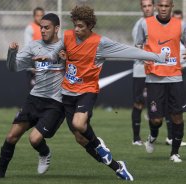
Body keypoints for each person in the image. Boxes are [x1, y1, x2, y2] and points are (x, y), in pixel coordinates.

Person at [38, 5, 167, 181]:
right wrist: (52, 56)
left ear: (90, 25)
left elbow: (128, 51)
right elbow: (56, 50)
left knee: (78, 123)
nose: (76, 29)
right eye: (75, 25)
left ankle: (99, 145)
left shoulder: (100, 43)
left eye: (81, 26)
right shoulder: (68, 36)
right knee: (80, 138)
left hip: (87, 91)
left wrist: (157, 57)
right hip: (67, 93)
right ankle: (117, 166)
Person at [0, 13, 66, 180]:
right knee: (11, 136)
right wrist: (12, 53)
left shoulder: (65, 45)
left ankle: (45, 152)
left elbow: (77, 65)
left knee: (34, 139)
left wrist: (67, 59)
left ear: (56, 29)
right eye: (41, 27)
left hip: (55, 102)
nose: (42, 30)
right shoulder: (33, 46)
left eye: (47, 27)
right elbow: (13, 67)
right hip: (34, 99)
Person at [136, 0, 186, 163]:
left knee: (177, 116)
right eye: (161, 6)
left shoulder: (181, 25)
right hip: (154, 78)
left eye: (167, 6)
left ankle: (174, 153)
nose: (164, 9)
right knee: (156, 120)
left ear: (171, 7)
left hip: (175, 76)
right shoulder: (145, 24)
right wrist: (143, 56)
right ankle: (152, 136)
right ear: (157, 7)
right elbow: (138, 45)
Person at [131, 0, 155, 146]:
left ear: (154, 6)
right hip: (141, 69)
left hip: (156, 69)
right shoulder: (139, 25)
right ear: (141, 8)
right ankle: (136, 138)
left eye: (149, 5)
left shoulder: (159, 23)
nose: (147, 8)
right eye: (144, 6)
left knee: (157, 103)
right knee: (139, 103)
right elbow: (138, 46)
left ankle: (162, 136)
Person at [164, 9, 186, 146]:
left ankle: (175, 137)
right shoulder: (167, 38)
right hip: (172, 75)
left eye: (180, 19)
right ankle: (171, 136)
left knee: (179, 108)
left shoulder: (183, 37)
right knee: (174, 107)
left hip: (184, 73)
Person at [24, 7, 45, 91]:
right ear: (34, 16)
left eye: (42, 15)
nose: (40, 17)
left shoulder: (48, 28)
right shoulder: (30, 28)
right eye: (37, 15)